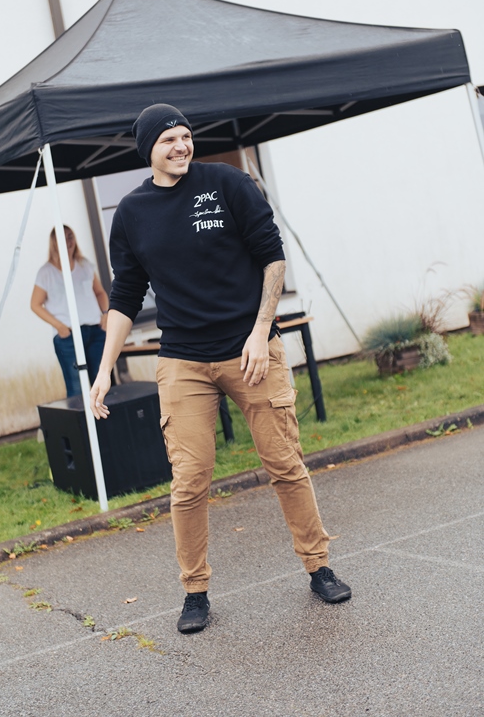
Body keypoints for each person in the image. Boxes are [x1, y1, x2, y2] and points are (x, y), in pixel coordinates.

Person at [90, 103, 351, 633]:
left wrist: (260, 332)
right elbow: (125, 295)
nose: (181, 146)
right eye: (168, 140)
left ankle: (319, 566)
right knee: (189, 479)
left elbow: (273, 257)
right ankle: (195, 591)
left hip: (250, 350)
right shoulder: (132, 213)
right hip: (183, 359)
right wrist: (103, 371)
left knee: (284, 462)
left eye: (185, 136)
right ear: (148, 150)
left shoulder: (227, 183)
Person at [31, 225, 109, 397]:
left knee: (102, 386)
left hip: (95, 332)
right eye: (62, 237)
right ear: (54, 242)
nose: (68, 241)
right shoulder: (46, 273)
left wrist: (105, 315)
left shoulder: (85, 265)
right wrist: (59, 326)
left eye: (70, 236)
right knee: (77, 389)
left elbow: (100, 293)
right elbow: (35, 304)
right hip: (68, 337)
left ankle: (104, 416)